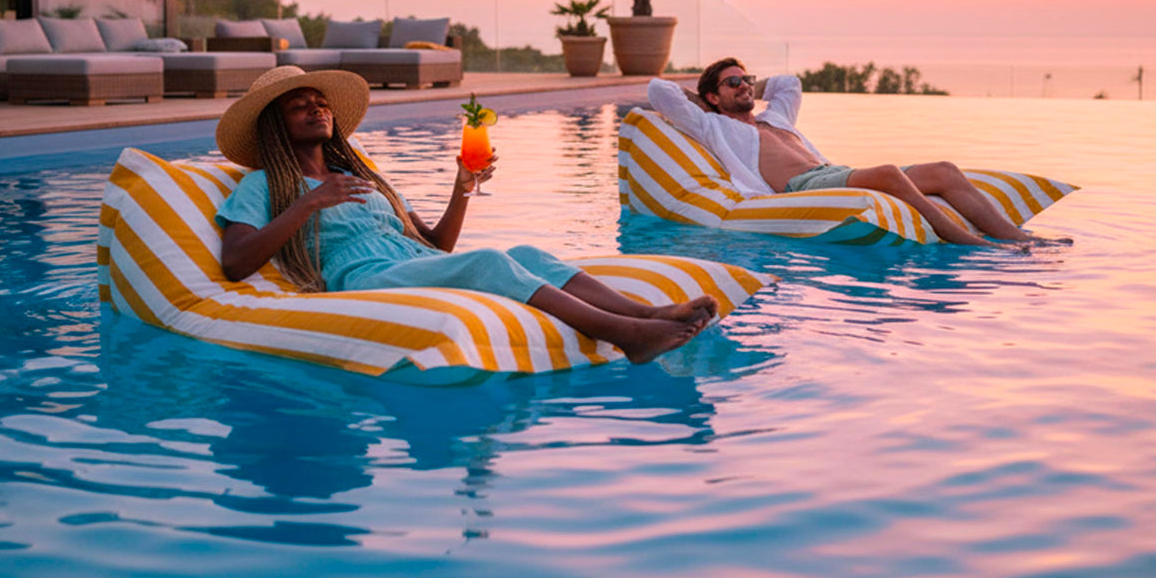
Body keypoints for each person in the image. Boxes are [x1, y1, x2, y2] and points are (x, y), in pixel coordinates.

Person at [214, 66, 717, 363]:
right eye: (298, 106)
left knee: (525, 253)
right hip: (363, 278)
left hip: (409, 263)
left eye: (320, 102)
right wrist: (307, 204)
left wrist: (461, 190)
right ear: (275, 128)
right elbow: (236, 262)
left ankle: (647, 313)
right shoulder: (264, 185)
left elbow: (436, 249)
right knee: (491, 262)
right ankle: (627, 337)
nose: (316, 109)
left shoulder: (366, 179)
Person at [647, 57, 1037, 246]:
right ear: (713, 96)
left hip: (832, 170)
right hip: (801, 186)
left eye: (746, 79)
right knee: (887, 172)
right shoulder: (715, 126)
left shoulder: (775, 119)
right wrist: (705, 102)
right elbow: (658, 91)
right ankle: (974, 244)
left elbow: (789, 83)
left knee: (945, 170)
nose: (745, 86)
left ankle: (1016, 237)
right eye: (733, 82)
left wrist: (747, 87)